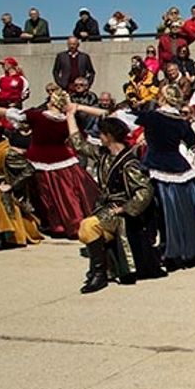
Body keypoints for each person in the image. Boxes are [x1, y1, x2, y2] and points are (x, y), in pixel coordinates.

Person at [116, 86, 195, 267]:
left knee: (160, 214)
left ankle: (163, 250)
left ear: (162, 97)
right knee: (189, 212)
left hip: (157, 169)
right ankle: (186, 249)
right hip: (182, 172)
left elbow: (123, 118)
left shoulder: (153, 117)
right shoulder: (181, 122)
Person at [64, 108, 163, 293]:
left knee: (88, 227)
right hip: (105, 208)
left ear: (109, 136)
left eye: (101, 134)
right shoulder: (103, 155)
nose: (99, 137)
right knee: (88, 229)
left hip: (122, 215)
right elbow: (79, 145)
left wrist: (125, 208)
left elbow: (145, 191)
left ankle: (100, 273)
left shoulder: (129, 163)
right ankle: (101, 270)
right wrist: (70, 115)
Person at [0, 91, 99, 240]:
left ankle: (53, 225)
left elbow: (9, 113)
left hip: (39, 161)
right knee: (68, 197)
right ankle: (72, 224)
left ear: (51, 102)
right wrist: (76, 108)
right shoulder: (68, 120)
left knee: (46, 197)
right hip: (65, 161)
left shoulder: (36, 116)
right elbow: (100, 118)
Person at [0, 118, 42, 250]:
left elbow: (29, 170)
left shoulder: (7, 153)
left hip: (2, 191)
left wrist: (12, 185)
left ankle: (3, 237)